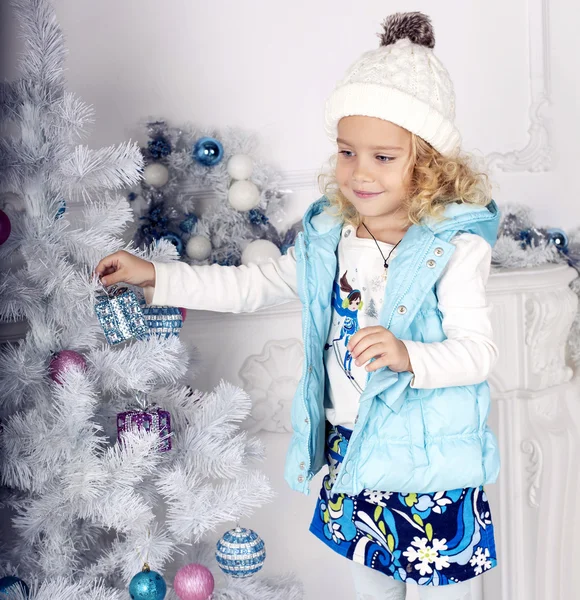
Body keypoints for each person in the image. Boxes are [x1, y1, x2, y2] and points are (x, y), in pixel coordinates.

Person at [95, 12, 500, 600]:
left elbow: (478, 353)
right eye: (347, 152)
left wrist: (408, 354)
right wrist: (157, 276)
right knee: (369, 591)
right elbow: (250, 286)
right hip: (355, 450)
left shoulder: (453, 249)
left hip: (429, 468)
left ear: (431, 166)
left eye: (383, 157)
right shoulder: (328, 239)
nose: (360, 172)